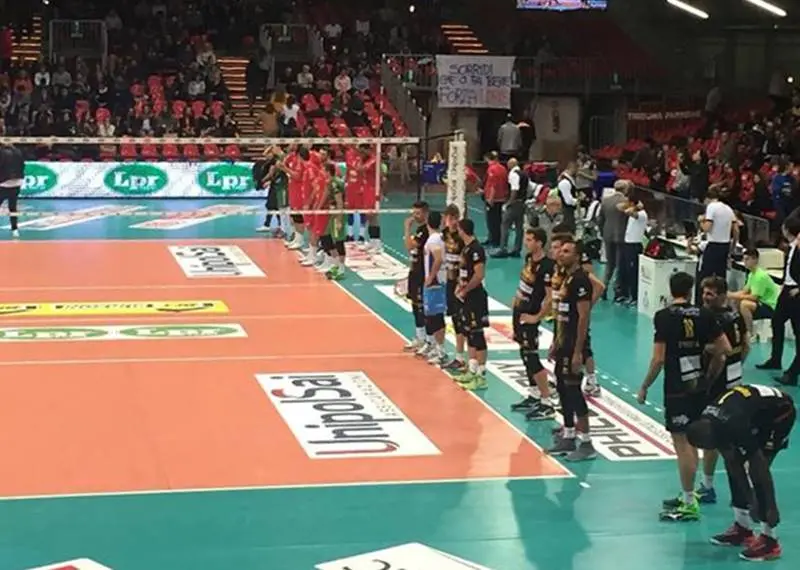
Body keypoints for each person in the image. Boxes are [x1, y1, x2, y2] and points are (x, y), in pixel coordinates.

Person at [637, 271, 730, 522]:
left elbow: (658, 359)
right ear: (691, 291)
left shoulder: (664, 316)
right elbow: (724, 350)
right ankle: (693, 492)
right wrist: (709, 375)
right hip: (699, 386)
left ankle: (689, 502)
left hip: (677, 388)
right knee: (694, 439)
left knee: (683, 444)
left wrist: (645, 386)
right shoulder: (705, 315)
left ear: (671, 290)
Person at [687, 384, 796, 561]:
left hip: (779, 414)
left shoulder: (733, 424)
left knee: (757, 471)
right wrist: (748, 499)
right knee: (732, 462)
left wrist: (767, 505)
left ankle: (770, 541)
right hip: (753, 413)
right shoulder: (709, 421)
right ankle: (743, 528)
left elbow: (759, 465)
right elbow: (732, 461)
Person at [685, 275, 748, 505]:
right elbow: (746, 346)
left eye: (710, 294)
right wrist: (737, 365)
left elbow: (720, 354)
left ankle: (708, 486)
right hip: (735, 381)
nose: (705, 297)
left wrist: (707, 382)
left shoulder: (710, 319)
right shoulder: (737, 315)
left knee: (712, 435)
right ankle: (743, 486)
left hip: (717, 385)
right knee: (733, 436)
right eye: (704, 293)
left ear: (722, 295)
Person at [547, 237, 596, 461]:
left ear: (577, 256)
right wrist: (555, 342)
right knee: (561, 386)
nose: (561, 253)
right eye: (561, 250)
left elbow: (583, 317)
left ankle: (586, 443)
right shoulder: (564, 278)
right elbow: (560, 314)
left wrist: (578, 352)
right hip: (562, 343)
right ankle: (568, 434)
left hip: (574, 346)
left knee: (574, 391)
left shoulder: (581, 281)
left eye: (566, 251)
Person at [510, 227, 557, 421]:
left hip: (529, 315)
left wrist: (537, 317)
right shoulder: (529, 259)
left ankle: (547, 402)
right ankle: (534, 394)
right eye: (526, 239)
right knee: (524, 354)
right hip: (519, 312)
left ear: (539, 242)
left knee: (532, 356)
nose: (526, 242)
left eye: (530, 240)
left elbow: (550, 297)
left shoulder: (547, 266)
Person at [756, 215, 800, 387]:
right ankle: (775, 359)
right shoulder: (791, 247)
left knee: (798, 333)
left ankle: (792, 373)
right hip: (787, 289)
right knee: (777, 321)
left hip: (796, 292)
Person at [453, 218, 490, 391]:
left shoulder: (476, 249)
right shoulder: (466, 248)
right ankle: (472, 370)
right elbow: (464, 272)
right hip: (466, 296)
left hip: (475, 298)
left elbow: (479, 274)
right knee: (469, 332)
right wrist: (459, 286)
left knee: (477, 334)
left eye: (458, 229)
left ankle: (481, 376)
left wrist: (466, 289)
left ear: (462, 230)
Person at [728, 248, 780, 338]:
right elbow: (744, 291)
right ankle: (741, 328)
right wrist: (731, 295)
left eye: (747, 259)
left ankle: (750, 332)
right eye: (744, 259)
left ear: (755, 260)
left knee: (745, 304)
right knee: (736, 300)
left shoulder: (760, 276)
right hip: (761, 303)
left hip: (770, 306)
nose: (744, 262)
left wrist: (732, 295)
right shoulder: (751, 274)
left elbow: (754, 297)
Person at [441, 204, 467, 372]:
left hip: (460, 282)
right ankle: (459, 356)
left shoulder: (461, 237)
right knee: (454, 318)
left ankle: (462, 357)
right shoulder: (445, 234)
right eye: (448, 218)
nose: (451, 221)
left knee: (462, 319)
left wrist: (461, 282)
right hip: (449, 281)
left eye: (453, 218)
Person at [403, 201, 431, 354]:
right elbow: (411, 250)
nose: (415, 216)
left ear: (426, 213)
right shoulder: (420, 230)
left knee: (421, 306)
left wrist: (407, 228)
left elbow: (409, 246)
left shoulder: (425, 231)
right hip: (414, 271)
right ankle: (420, 337)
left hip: (422, 273)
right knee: (415, 304)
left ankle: (428, 340)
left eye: (418, 213)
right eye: (414, 213)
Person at [422, 211, 448, 366]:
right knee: (435, 317)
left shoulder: (433, 240)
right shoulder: (440, 238)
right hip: (439, 281)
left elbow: (438, 258)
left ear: (427, 222)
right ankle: (438, 349)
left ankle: (441, 351)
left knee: (435, 318)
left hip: (435, 284)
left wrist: (431, 277)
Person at [0, 141, 24, 239]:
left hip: (5, 183)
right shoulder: (18, 152)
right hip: (17, 182)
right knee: (13, 208)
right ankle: (15, 230)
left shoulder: (1, 152)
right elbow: (22, 166)